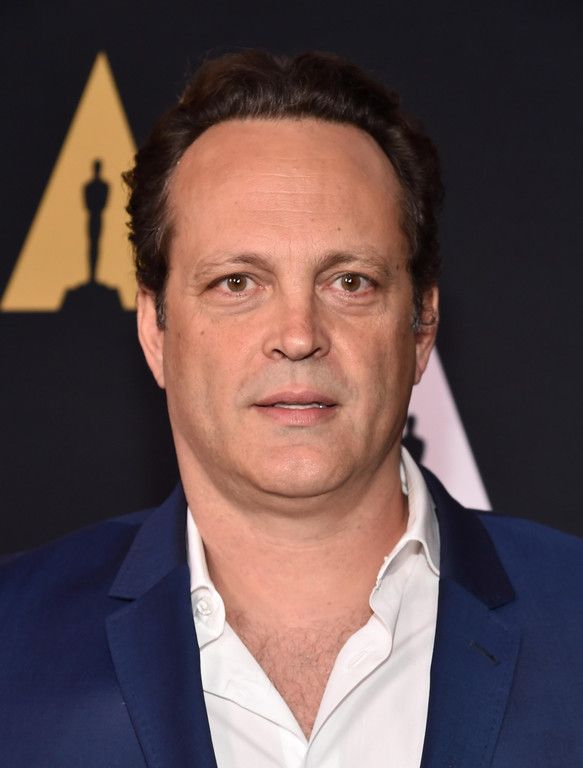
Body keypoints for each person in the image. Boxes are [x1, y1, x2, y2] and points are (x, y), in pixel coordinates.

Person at [1, 50, 582, 768]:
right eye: (237, 283)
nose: (299, 335)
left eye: (349, 281)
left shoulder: (574, 615)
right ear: (155, 330)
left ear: (421, 327)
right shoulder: (12, 640)